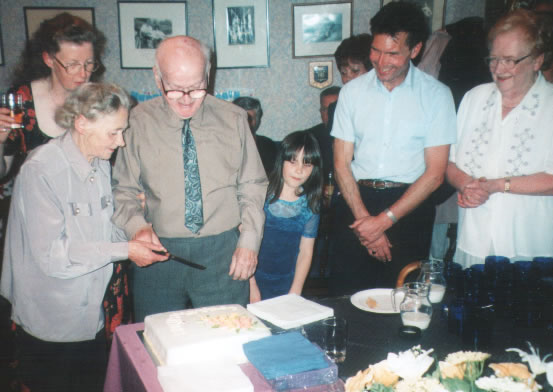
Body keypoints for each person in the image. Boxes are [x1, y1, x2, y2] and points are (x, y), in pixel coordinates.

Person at [0, 82, 168, 392]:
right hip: (49, 321)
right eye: (113, 132)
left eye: (123, 131)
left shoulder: (99, 161)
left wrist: (138, 235)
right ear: (81, 123)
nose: (121, 142)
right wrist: (126, 249)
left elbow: (101, 231)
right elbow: (54, 257)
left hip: (89, 315)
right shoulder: (41, 170)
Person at [111, 36, 268, 322]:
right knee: (159, 348)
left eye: (196, 88)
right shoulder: (136, 122)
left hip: (222, 253)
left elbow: (253, 185)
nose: (186, 99)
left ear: (208, 74)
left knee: (225, 344)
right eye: (175, 89)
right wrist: (136, 228)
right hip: (157, 253)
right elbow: (122, 190)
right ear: (157, 78)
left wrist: (249, 241)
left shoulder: (234, 119)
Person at [328, 1, 457, 294]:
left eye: (392, 53)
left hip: (409, 208)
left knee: (402, 302)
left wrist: (383, 221)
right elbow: (341, 164)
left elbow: (435, 174)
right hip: (355, 203)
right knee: (347, 300)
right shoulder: (351, 93)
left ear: (415, 50)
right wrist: (366, 224)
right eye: (376, 50)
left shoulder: (437, 96)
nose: (380, 61)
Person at [446, 9, 553, 267]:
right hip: (474, 239)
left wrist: (494, 185)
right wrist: (467, 185)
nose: (498, 69)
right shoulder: (474, 98)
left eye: (509, 60)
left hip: (531, 246)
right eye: (493, 59)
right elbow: (449, 163)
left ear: (537, 60)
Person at [249, 131, 323, 301]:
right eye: (292, 161)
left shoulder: (311, 205)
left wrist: (295, 292)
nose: (299, 170)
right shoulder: (261, 196)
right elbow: (244, 242)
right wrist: (251, 286)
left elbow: (305, 253)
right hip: (252, 279)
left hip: (287, 283)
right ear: (281, 160)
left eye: (307, 164)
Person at [233, 96, 277, 175]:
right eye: (239, 117)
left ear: (257, 121)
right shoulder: (221, 145)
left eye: (248, 118)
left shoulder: (269, 147)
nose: (243, 123)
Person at [304, 86, 340, 179]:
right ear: (320, 112)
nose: (329, 113)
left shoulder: (357, 137)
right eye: (324, 109)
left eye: (333, 108)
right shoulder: (308, 138)